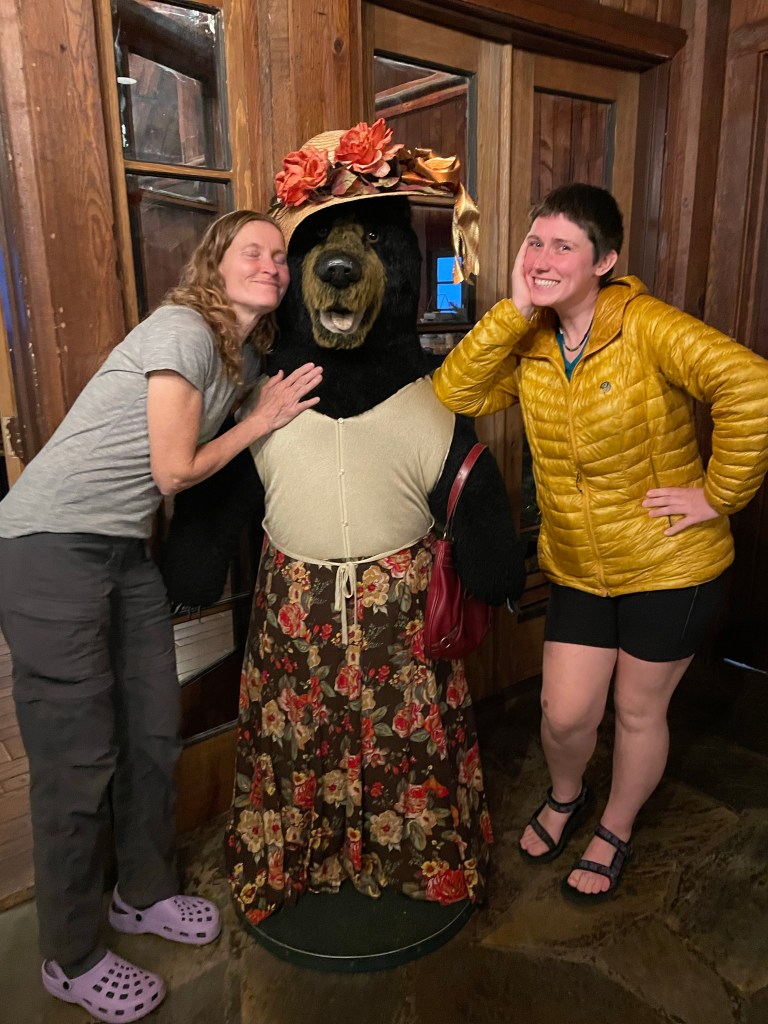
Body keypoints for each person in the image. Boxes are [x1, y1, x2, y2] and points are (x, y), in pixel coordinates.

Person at [0, 209, 322, 1021]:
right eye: (253, 250)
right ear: (216, 263)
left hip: (122, 551)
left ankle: (140, 893)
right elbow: (175, 472)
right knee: (77, 760)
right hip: (48, 547)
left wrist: (265, 409)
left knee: (150, 732)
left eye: (281, 256)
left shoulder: (240, 355)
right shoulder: (183, 329)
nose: (272, 264)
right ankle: (69, 957)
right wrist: (261, 419)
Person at [432, 183, 768, 904]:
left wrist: (718, 495)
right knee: (564, 713)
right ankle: (567, 796)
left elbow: (752, 384)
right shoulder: (532, 338)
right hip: (581, 565)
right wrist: (514, 310)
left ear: (604, 260)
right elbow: (457, 393)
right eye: (534, 242)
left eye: (564, 246)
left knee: (638, 710)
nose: (542, 258)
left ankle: (614, 827)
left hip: (670, 562)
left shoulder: (645, 325)